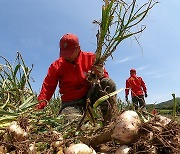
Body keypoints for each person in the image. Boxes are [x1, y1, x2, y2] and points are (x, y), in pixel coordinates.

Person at [36, 33, 116, 118]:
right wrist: (37, 109)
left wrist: (101, 75)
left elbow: (104, 79)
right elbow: (47, 89)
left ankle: (109, 122)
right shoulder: (56, 66)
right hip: (71, 103)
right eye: (64, 53)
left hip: (90, 96)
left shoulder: (91, 58)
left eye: (70, 53)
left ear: (78, 49)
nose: (67, 57)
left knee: (108, 83)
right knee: (70, 123)